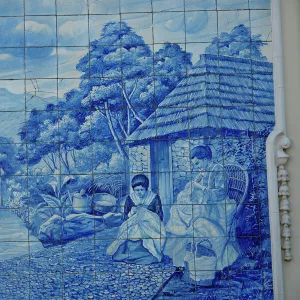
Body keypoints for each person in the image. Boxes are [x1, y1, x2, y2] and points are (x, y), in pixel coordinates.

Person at [164, 145, 239, 273]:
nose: (197, 167)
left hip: (218, 205)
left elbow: (220, 193)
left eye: (198, 163)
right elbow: (193, 189)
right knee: (178, 208)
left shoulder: (218, 170)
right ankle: (184, 253)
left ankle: (190, 232)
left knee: (196, 213)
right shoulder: (201, 173)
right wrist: (191, 191)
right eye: (195, 164)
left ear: (205, 159)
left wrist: (201, 189)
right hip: (205, 203)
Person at [107, 174, 166, 264]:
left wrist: (148, 215)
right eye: (136, 190)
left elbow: (160, 215)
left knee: (145, 232)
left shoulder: (154, 198)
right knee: (131, 230)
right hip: (133, 223)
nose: (139, 192)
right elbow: (124, 217)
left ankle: (148, 254)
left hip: (150, 225)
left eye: (141, 190)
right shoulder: (130, 198)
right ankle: (130, 254)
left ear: (146, 189)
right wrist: (131, 213)